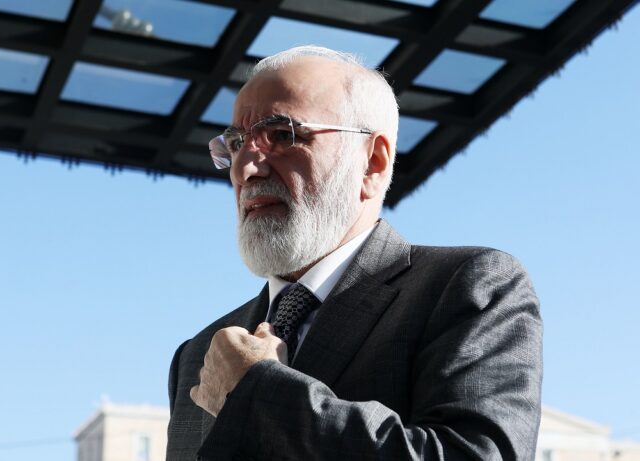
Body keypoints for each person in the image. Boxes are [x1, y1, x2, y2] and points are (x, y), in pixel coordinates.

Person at [166, 45, 542, 460]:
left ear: (373, 162)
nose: (245, 169)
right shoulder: (197, 356)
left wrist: (259, 391)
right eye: (237, 144)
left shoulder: (468, 287)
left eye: (282, 135)